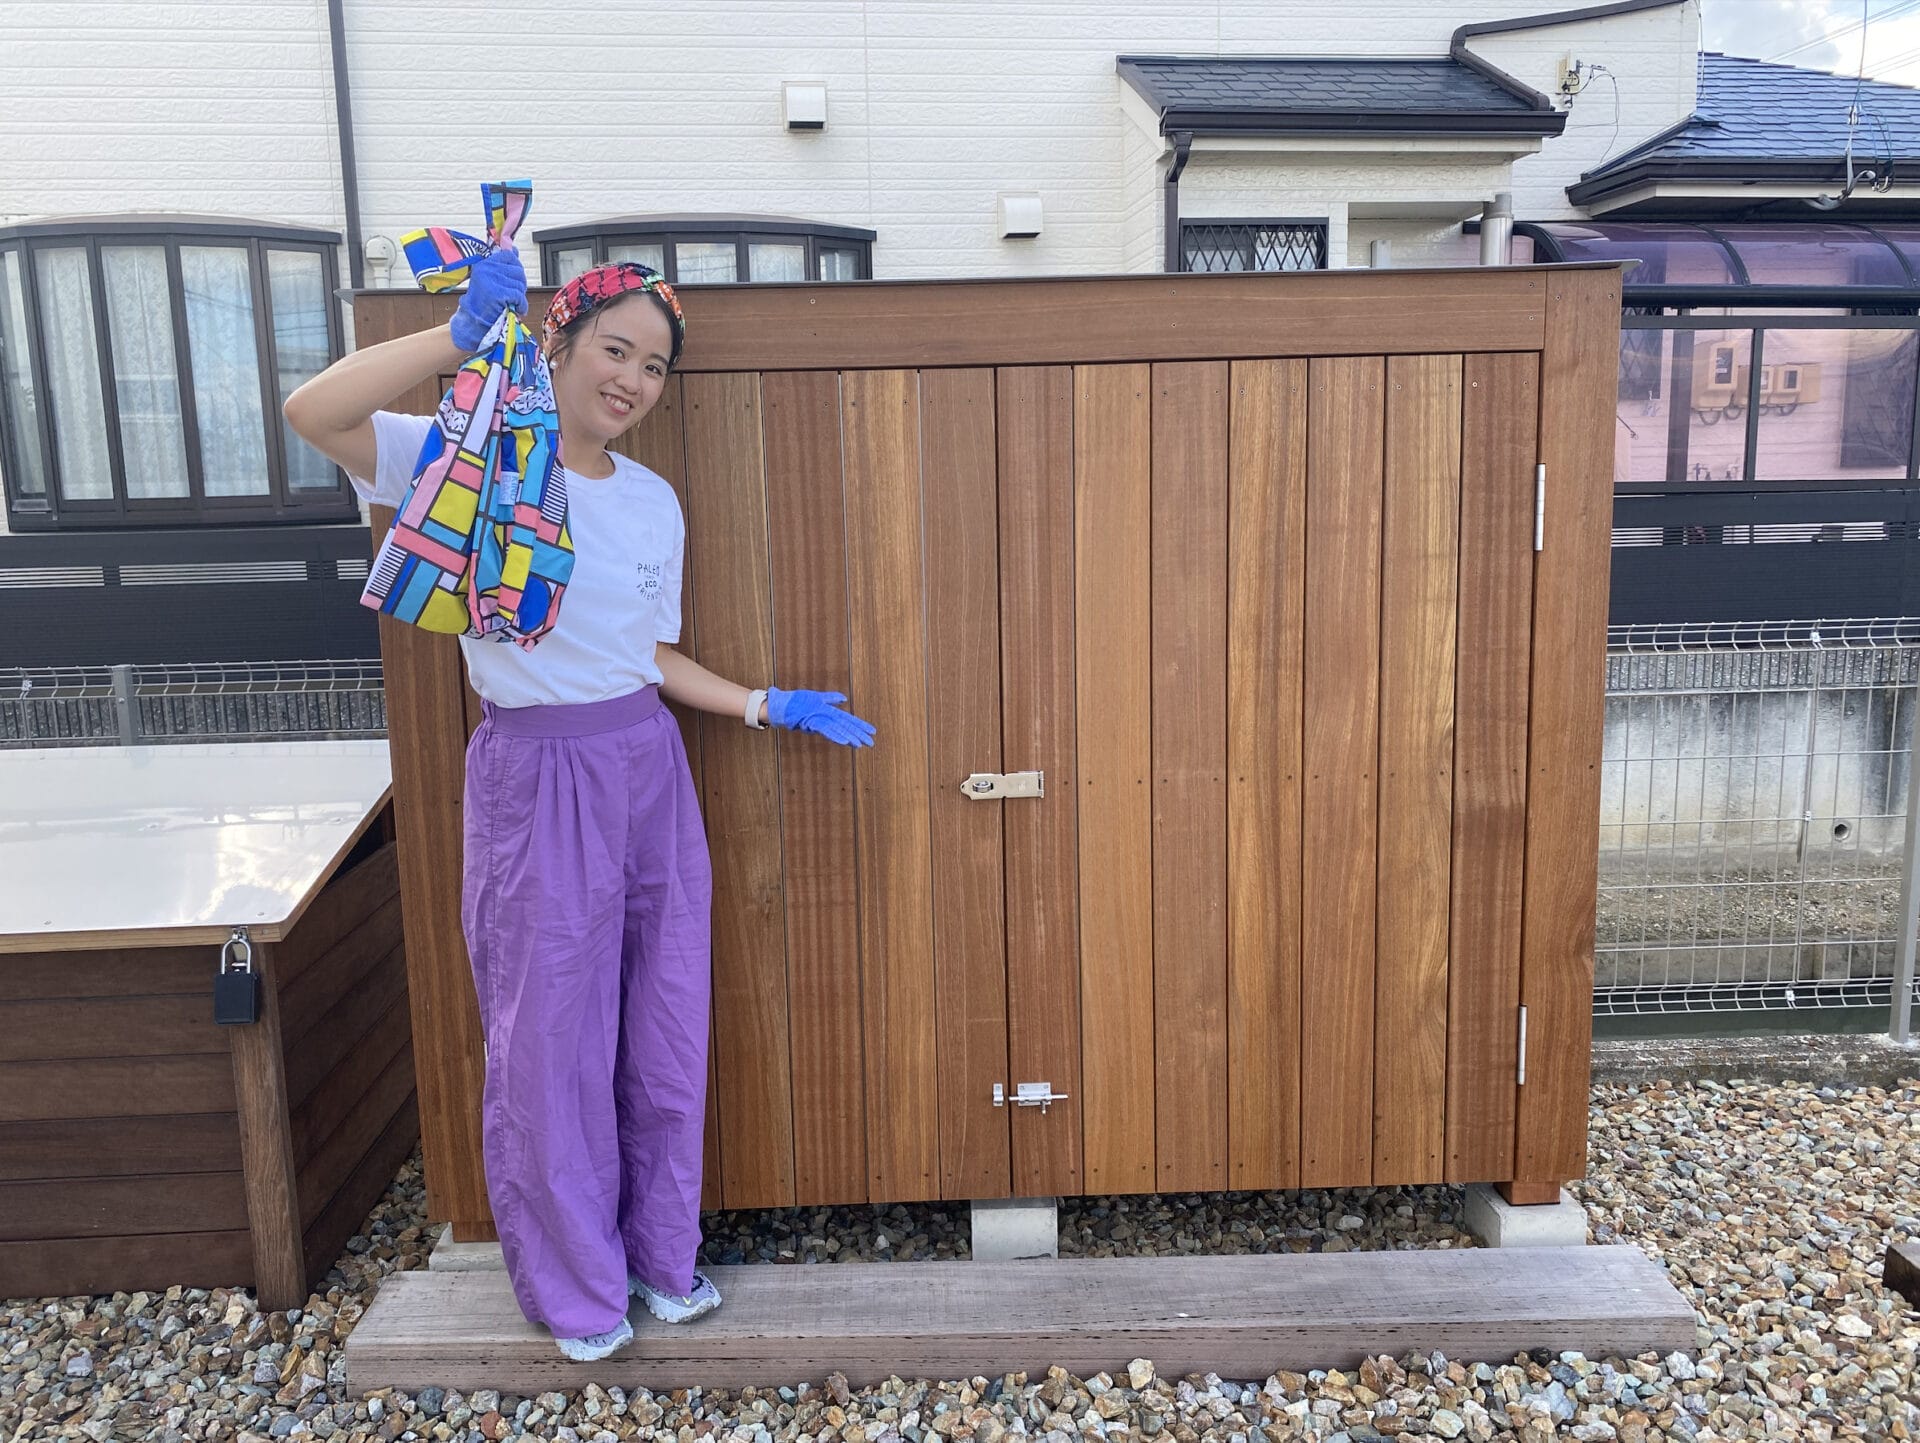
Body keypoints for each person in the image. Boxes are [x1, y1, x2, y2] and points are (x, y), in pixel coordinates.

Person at [284, 250, 875, 1362]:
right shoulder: (470, 455)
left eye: (654, 366)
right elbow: (314, 412)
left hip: (649, 767)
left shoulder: (653, 502)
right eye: (615, 349)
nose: (633, 380)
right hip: (535, 774)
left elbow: (648, 653)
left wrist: (761, 703)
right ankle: (576, 1288)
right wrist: (456, 338)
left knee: (665, 1021)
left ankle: (659, 1256)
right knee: (549, 1042)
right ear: (555, 344)